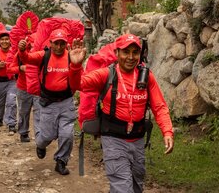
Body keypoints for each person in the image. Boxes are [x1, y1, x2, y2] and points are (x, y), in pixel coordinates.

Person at [69, 33, 174, 193]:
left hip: (137, 140)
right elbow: (79, 84)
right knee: (123, 188)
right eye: (126, 52)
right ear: (117, 53)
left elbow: (159, 107)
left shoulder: (146, 77)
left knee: (136, 185)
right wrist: (76, 66)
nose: (131, 57)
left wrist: (167, 131)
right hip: (113, 140)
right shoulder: (106, 74)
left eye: (135, 52)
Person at [17, 28, 78, 175]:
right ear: (50, 43)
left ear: (66, 44)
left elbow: (78, 76)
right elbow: (27, 59)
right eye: (56, 43)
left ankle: (61, 161)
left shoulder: (71, 57)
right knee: (46, 137)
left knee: (67, 134)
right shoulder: (44, 55)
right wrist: (22, 50)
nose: (58, 47)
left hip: (66, 102)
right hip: (48, 103)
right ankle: (40, 145)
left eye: (62, 43)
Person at [7, 35, 40, 143]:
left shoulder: (41, 54)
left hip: (38, 89)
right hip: (23, 88)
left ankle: (39, 136)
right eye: (29, 42)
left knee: (39, 112)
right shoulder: (19, 55)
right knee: (23, 112)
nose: (31, 44)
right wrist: (20, 68)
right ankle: (23, 132)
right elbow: (10, 69)